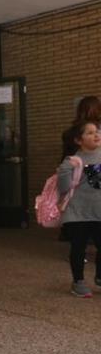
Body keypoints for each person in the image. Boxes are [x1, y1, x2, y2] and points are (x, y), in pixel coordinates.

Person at [58, 121, 101, 298]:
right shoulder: (72, 161)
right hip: (77, 212)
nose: (96, 134)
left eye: (97, 131)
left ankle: (99, 276)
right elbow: (63, 188)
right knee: (78, 247)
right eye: (90, 133)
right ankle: (78, 282)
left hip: (99, 212)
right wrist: (65, 171)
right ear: (78, 140)